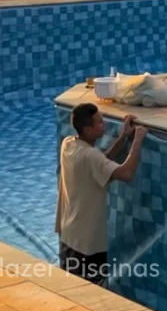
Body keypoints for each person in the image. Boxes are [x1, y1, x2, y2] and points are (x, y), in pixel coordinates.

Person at [56, 104, 146, 286]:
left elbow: (100, 163)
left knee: (70, 288)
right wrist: (137, 140)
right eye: (100, 122)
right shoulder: (90, 156)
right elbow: (126, 173)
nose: (104, 125)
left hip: (69, 235)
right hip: (88, 244)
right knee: (92, 293)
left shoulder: (69, 144)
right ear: (88, 129)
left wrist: (122, 137)